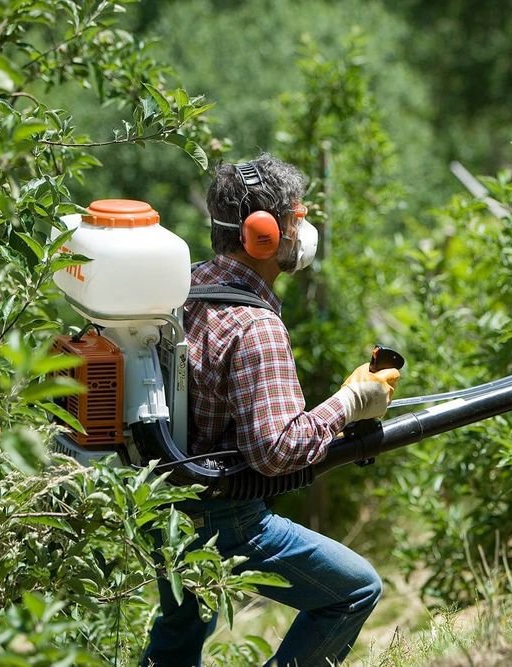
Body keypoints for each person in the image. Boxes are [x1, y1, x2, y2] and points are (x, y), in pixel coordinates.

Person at [142, 153, 400, 667]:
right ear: (262, 233)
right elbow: (276, 450)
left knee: (181, 631)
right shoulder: (254, 325)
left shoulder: (181, 290)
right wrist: (349, 402)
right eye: (294, 218)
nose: (301, 228)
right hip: (227, 514)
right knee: (352, 591)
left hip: (164, 506)